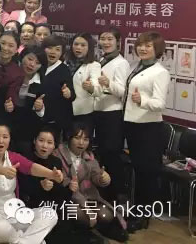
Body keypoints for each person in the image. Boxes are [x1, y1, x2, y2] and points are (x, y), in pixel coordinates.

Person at [0, 120, 61, 244]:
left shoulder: (13, 157)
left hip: (16, 214)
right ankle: (29, 240)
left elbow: (31, 167)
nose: (1, 141)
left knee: (50, 214)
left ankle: (22, 241)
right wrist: (4, 170)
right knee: (0, 228)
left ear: (10, 139)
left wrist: (52, 174)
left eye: (5, 137)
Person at [120, 31, 169, 232]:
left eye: (148, 46)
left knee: (146, 174)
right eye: (140, 45)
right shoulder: (136, 66)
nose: (143, 48)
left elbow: (160, 103)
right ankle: (136, 211)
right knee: (138, 171)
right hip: (133, 125)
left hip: (149, 129)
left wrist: (143, 101)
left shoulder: (160, 72)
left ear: (157, 49)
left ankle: (143, 216)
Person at [54, 122, 127, 241]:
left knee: (106, 215)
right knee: (81, 215)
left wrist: (103, 179)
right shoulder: (58, 155)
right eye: (77, 138)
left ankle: (99, 229)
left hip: (88, 197)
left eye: (85, 139)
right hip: (68, 199)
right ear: (69, 137)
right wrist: (87, 209)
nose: (81, 143)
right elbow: (65, 183)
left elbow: (96, 176)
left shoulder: (89, 156)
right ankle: (84, 233)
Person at [18, 127, 83, 244]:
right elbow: (22, 187)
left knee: (66, 214)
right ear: (34, 141)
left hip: (53, 204)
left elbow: (59, 192)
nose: (44, 146)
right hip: (31, 204)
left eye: (49, 142)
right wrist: (40, 186)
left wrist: (70, 189)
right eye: (41, 140)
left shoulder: (56, 161)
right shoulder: (26, 159)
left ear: (54, 146)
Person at [94, 28, 129, 202]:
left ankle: (117, 196)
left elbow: (123, 92)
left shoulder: (121, 63)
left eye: (110, 39)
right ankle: (105, 194)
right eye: (103, 38)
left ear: (118, 42)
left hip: (113, 115)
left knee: (112, 156)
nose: (106, 42)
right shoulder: (102, 60)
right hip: (100, 113)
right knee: (103, 154)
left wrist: (108, 84)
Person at [12, 46, 48, 153]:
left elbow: (43, 113)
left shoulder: (42, 84)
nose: (32, 64)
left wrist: (39, 108)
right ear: (22, 57)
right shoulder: (11, 75)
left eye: (37, 63)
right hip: (6, 125)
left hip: (26, 131)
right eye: (30, 59)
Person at [41, 35, 75, 140]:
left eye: (57, 49)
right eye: (49, 48)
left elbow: (72, 95)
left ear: (62, 53)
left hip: (55, 121)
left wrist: (68, 93)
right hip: (37, 117)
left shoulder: (64, 70)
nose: (53, 52)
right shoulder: (38, 66)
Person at [66, 33, 100, 135]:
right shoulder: (65, 63)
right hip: (65, 111)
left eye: (83, 45)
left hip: (83, 114)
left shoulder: (93, 65)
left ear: (89, 48)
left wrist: (91, 88)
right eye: (76, 44)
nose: (78, 47)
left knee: (82, 141)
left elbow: (97, 89)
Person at [0, 32, 24, 120]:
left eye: (11, 45)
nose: (5, 48)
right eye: (2, 43)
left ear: (16, 50)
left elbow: (11, 95)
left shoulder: (17, 72)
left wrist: (10, 105)